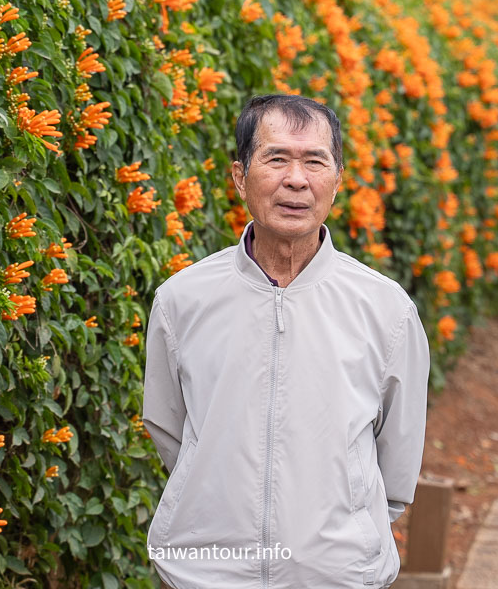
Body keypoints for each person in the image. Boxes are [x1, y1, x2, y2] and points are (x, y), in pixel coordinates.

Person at [141, 94, 430, 589]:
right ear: (239, 176)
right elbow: (170, 431)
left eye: (315, 162)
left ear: (337, 181)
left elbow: (397, 465)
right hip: (206, 573)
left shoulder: (386, 310)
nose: (296, 179)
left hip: (336, 575)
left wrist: (344, 534)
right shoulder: (182, 300)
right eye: (276, 159)